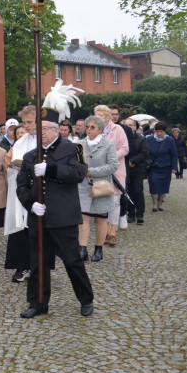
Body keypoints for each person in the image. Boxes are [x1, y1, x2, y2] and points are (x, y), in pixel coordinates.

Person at [17, 107, 94, 319]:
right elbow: (21, 186)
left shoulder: (73, 148)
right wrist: (30, 204)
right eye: (37, 128)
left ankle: (86, 299)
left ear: (56, 130)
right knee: (38, 262)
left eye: (44, 128)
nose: (40, 132)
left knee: (71, 260)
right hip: (38, 217)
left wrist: (51, 170)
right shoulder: (30, 156)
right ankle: (38, 303)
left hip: (63, 216)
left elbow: (79, 173)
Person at [77, 115, 118, 263]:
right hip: (83, 187)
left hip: (101, 187)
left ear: (100, 129)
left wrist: (91, 171)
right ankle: (82, 249)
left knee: (100, 219)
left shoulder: (108, 145)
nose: (88, 129)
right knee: (83, 218)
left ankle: (98, 249)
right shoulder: (79, 144)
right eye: (87, 126)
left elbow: (113, 165)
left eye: (92, 127)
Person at [3, 106, 37, 283]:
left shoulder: (44, 141)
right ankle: (21, 265)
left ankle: (37, 266)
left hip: (37, 191)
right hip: (21, 190)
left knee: (35, 230)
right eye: (24, 122)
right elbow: (8, 160)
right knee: (20, 229)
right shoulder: (21, 142)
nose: (26, 126)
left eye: (30, 122)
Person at [94, 104, 128, 247]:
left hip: (116, 171)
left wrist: (111, 158)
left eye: (100, 116)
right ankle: (105, 229)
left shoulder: (118, 129)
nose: (96, 118)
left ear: (107, 117)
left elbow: (125, 148)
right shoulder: (93, 129)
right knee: (102, 201)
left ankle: (112, 232)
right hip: (99, 171)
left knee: (114, 201)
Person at [146, 122, 179, 211]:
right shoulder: (149, 139)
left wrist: (174, 167)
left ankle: (160, 203)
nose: (159, 133)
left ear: (164, 131)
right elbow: (145, 152)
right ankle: (154, 203)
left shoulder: (170, 140)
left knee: (163, 185)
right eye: (157, 131)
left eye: (161, 131)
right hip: (153, 167)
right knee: (153, 184)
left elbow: (174, 155)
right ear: (154, 131)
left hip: (165, 167)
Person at [123, 118, 148, 224]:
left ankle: (140, 214)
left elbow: (145, 153)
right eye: (126, 125)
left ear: (136, 127)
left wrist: (133, 160)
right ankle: (131, 213)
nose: (129, 127)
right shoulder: (122, 138)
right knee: (127, 191)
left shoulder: (141, 139)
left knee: (137, 190)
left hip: (138, 169)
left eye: (131, 125)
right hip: (125, 169)